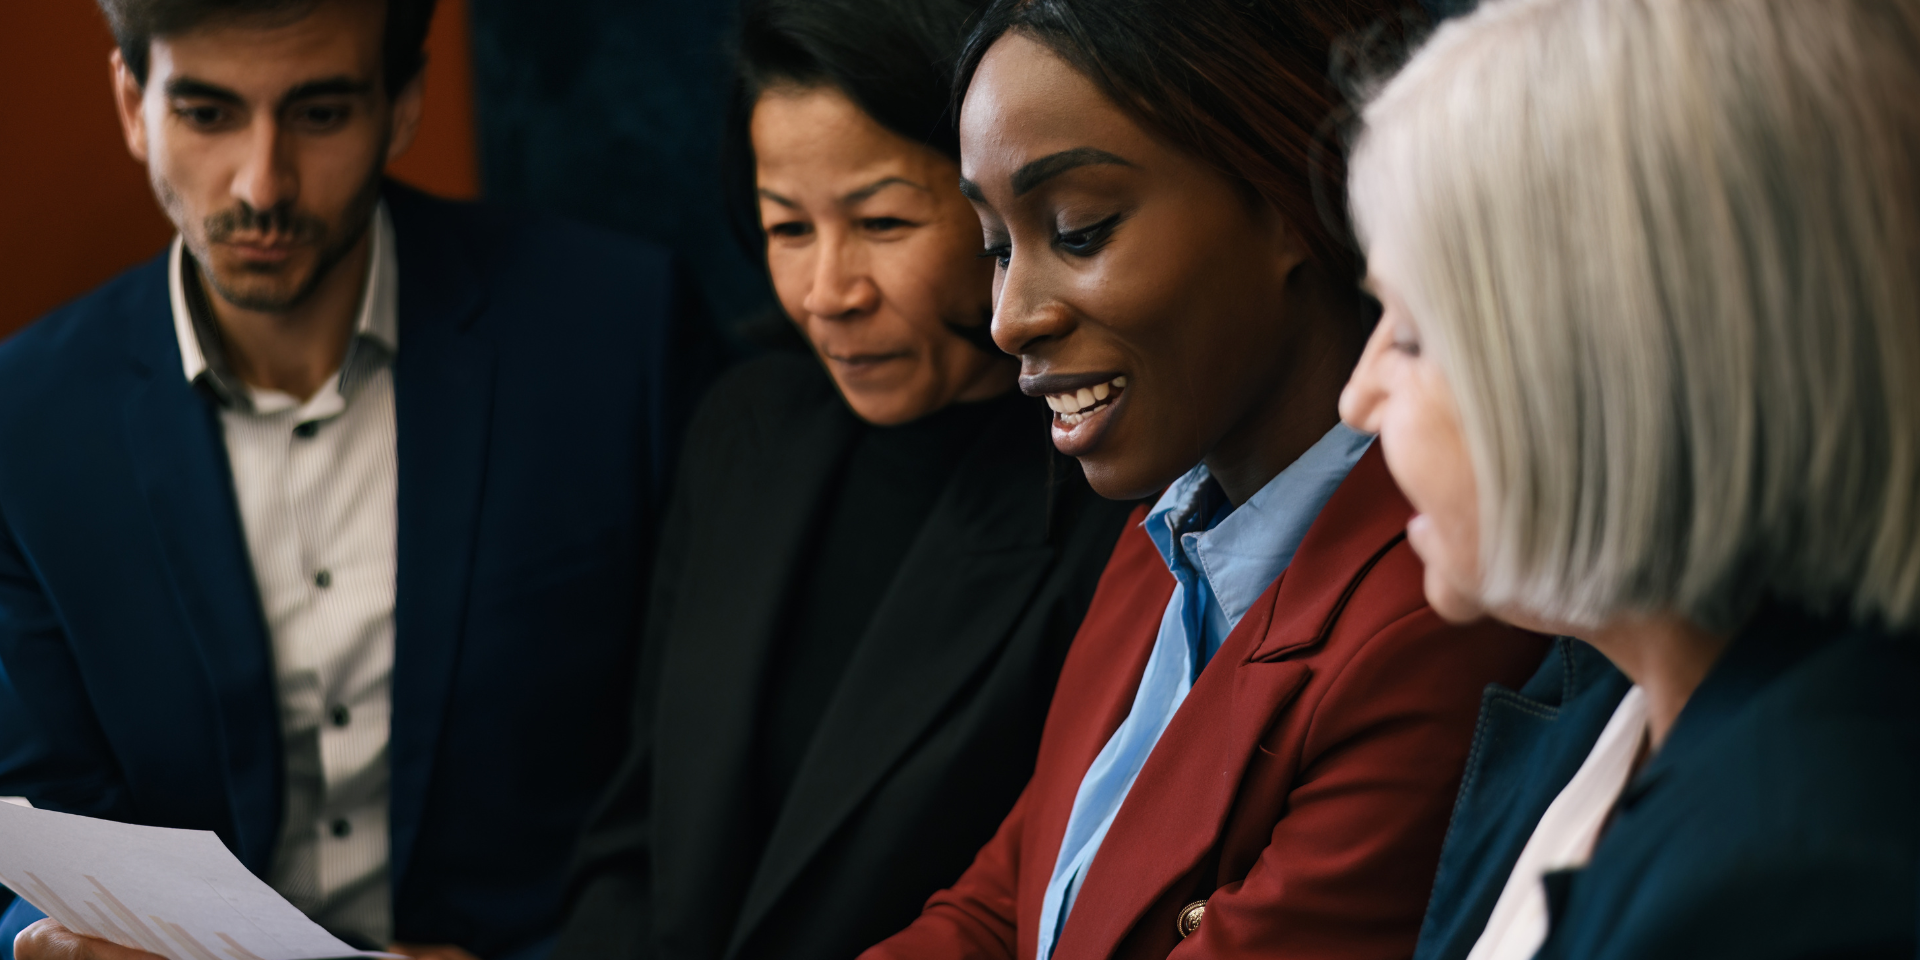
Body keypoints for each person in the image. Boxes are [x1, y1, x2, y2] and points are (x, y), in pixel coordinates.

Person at [0, 1, 706, 958]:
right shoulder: (25, 422)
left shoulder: (618, 335)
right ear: (133, 105)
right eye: (207, 115)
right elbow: (39, 816)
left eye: (320, 114)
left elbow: (698, 786)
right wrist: (48, 940)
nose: (262, 184)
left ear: (403, 105)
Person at [862, 1, 1548, 959]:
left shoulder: (1436, 609)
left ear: (1291, 200)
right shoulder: (1165, 533)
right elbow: (1005, 902)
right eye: (996, 248)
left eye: (1079, 229)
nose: (1009, 318)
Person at [545, 2, 1139, 960]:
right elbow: (637, 847)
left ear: (1003, 209)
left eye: (881, 221)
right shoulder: (745, 430)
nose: (829, 291)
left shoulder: (1113, 492)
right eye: (788, 227)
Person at [1338, 0, 1920, 957]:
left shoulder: (1800, 878)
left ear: (1614, 372)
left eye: (1409, 334)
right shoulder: (1610, 696)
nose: (1357, 398)